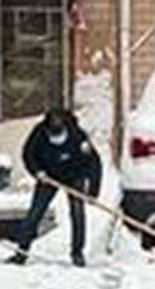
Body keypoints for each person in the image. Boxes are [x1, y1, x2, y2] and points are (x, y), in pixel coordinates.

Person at [14, 101, 101, 267]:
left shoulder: (78, 136)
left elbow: (94, 163)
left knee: (77, 213)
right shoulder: (39, 133)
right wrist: (37, 172)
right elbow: (28, 154)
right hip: (48, 176)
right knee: (36, 211)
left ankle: (77, 253)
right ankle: (22, 251)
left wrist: (93, 191)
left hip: (74, 175)